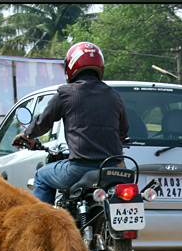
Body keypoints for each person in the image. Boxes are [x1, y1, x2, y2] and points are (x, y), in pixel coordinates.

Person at [11, 42, 129, 205]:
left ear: (71, 66)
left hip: (80, 168)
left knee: (41, 177)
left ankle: (42, 228)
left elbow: (44, 122)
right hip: (114, 168)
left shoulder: (66, 93)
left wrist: (27, 135)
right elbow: (123, 130)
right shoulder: (114, 95)